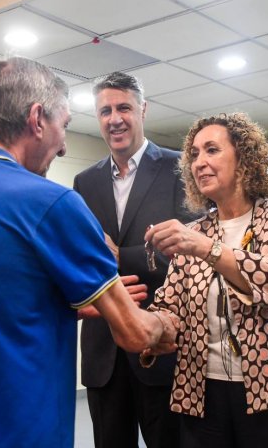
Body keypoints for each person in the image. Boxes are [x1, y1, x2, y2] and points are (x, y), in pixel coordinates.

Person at [0, 57, 178, 448]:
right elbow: (134, 333)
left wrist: (65, 308)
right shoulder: (50, 202)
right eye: (65, 125)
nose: (64, 146)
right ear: (37, 119)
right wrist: (165, 323)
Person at [143, 112, 268, 448]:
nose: (199, 162)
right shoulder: (195, 232)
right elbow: (170, 306)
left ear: (244, 158)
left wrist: (206, 248)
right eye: (194, 154)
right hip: (203, 394)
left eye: (212, 150)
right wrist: (148, 324)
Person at [74, 71, 195, 448]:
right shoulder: (85, 182)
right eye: (105, 111)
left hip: (161, 344)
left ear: (143, 109)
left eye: (124, 108)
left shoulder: (181, 169)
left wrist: (119, 256)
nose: (115, 119)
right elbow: (80, 258)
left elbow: (192, 256)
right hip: (103, 352)